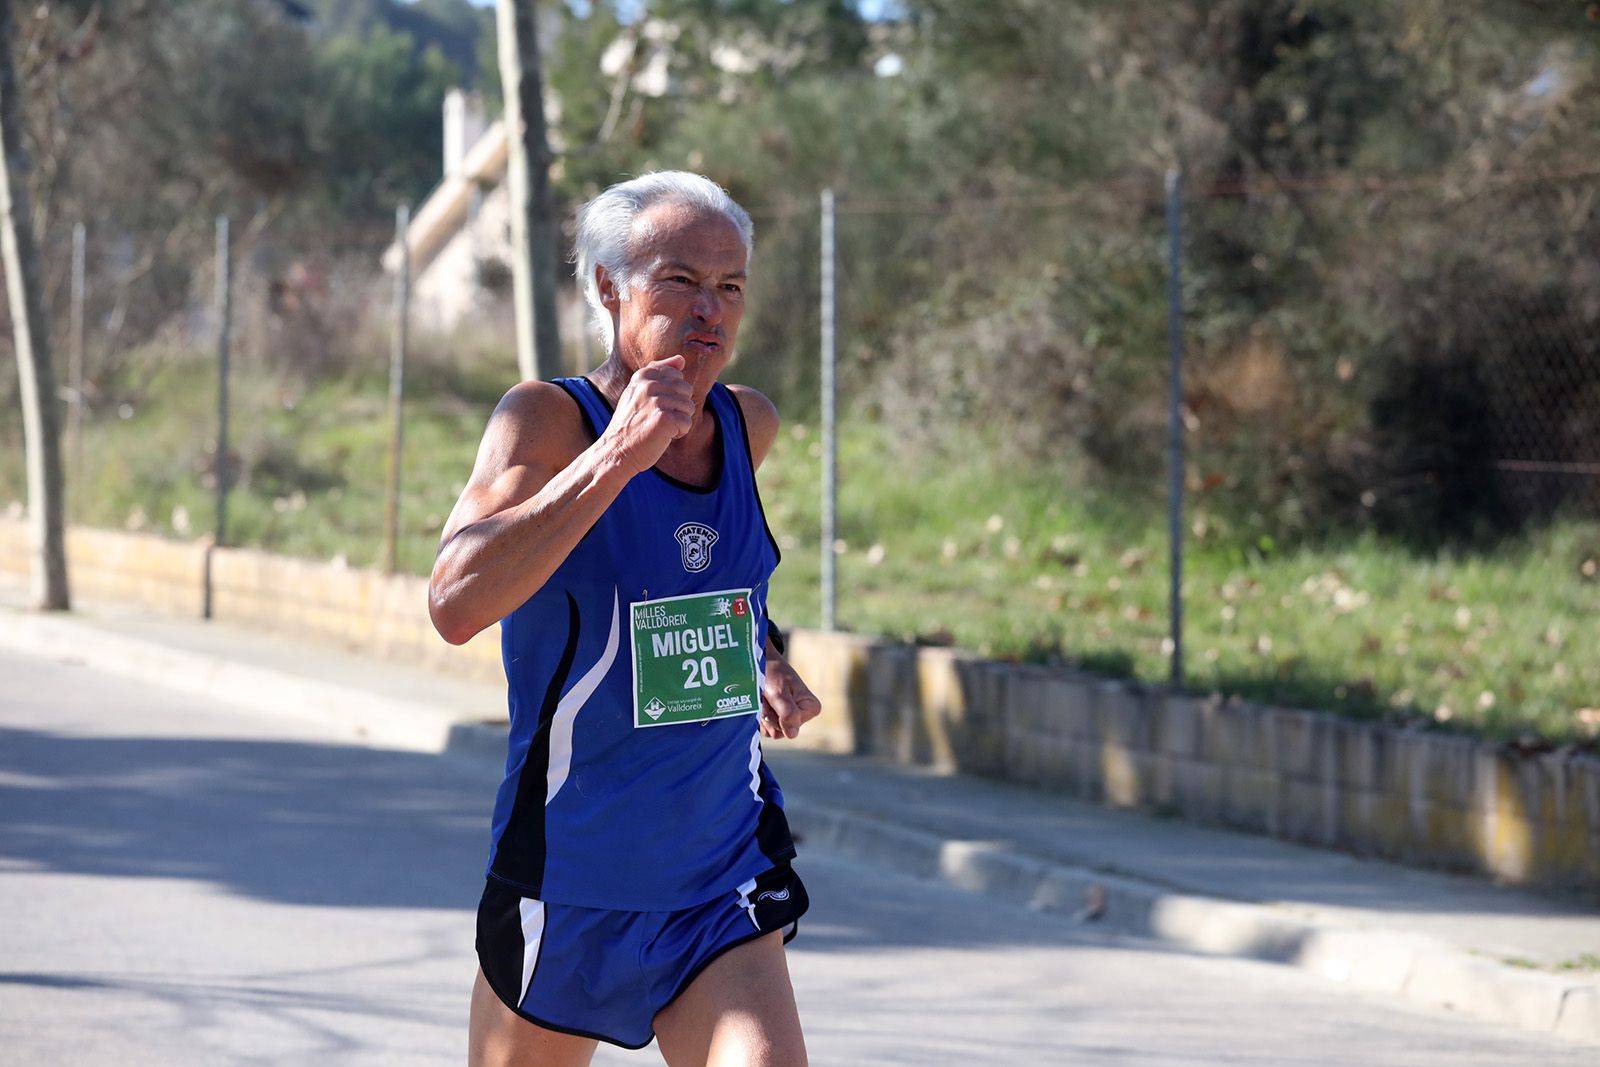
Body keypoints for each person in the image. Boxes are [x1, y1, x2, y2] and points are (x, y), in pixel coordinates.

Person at [428, 170, 823, 1067]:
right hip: (569, 879)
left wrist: (762, 655)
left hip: (718, 874)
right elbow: (455, 601)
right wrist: (613, 457)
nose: (709, 312)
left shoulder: (745, 425)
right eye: (679, 281)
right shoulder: (546, 421)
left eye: (729, 288)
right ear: (610, 287)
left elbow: (709, 581)